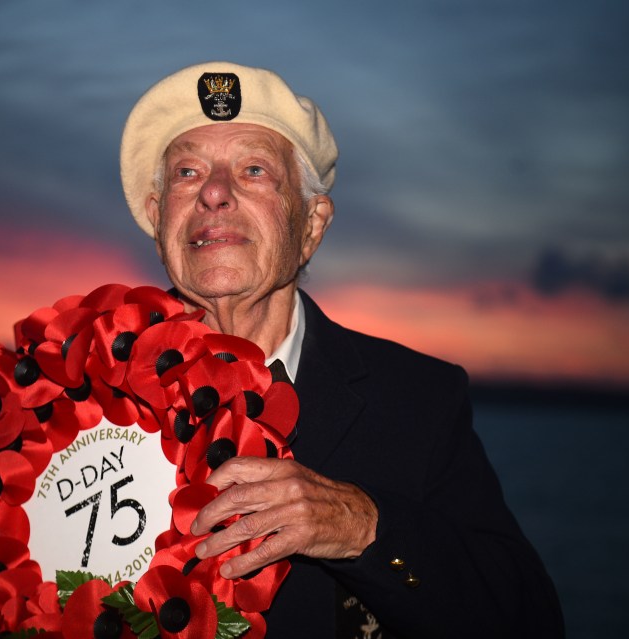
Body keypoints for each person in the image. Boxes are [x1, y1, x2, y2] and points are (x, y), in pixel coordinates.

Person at [119, 61, 564, 638]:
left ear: (312, 225)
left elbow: (527, 619)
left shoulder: (417, 399)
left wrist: (365, 528)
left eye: (253, 169)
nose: (212, 192)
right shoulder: (75, 394)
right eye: (187, 172)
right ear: (159, 220)